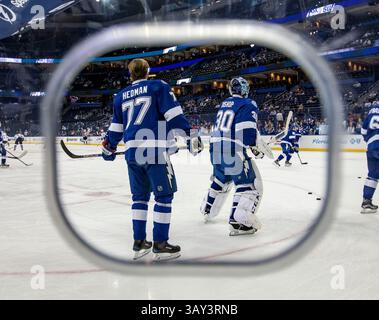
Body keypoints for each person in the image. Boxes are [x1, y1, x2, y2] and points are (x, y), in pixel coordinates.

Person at [101, 58, 203, 260]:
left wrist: (109, 146)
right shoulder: (158, 86)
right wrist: (190, 136)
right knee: (163, 197)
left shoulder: (120, 96)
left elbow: (116, 129)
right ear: (148, 71)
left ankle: (139, 243)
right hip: (154, 150)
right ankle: (160, 244)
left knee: (139, 198)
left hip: (132, 153)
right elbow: (173, 115)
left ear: (131, 74)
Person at [200, 77, 264, 236]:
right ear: (244, 90)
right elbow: (247, 132)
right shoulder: (248, 104)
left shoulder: (224, 104)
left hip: (215, 149)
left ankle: (207, 209)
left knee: (221, 179)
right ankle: (238, 222)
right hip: (232, 151)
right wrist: (255, 146)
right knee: (250, 185)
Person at [361, 103, 379, 213]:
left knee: (373, 175)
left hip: (372, 147)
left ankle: (366, 201)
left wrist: (370, 141)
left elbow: (363, 131)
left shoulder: (371, 111)